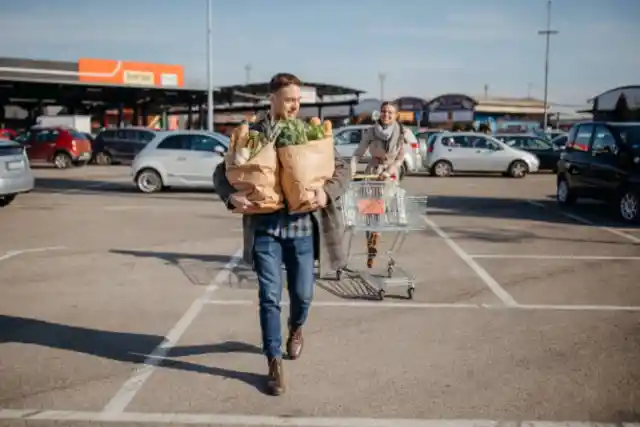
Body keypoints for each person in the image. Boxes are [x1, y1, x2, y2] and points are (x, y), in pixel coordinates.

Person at [213, 73, 350, 396]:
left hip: (302, 230)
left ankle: (297, 327)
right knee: (269, 297)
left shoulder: (308, 133)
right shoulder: (253, 133)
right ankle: (274, 362)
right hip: (264, 232)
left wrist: (325, 194)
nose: (295, 106)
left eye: (298, 101)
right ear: (272, 99)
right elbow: (220, 173)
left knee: (303, 294)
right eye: (290, 100)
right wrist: (230, 196)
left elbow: (343, 169)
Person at [349, 101, 412, 268]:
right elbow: (359, 152)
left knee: (380, 208)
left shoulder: (401, 133)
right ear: (380, 113)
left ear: (396, 115)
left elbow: (400, 159)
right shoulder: (371, 131)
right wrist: (353, 169)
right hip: (372, 171)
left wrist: (389, 171)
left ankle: (375, 236)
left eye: (390, 112)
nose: (386, 115)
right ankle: (371, 243)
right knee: (369, 211)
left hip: (388, 175)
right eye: (384, 111)